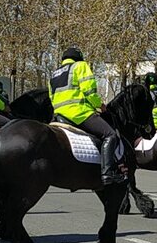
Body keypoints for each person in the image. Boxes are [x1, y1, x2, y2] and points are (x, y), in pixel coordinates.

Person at [48, 47, 126, 185]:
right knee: (110, 135)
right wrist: (100, 106)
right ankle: (108, 173)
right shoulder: (80, 66)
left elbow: (51, 97)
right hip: (79, 113)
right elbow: (89, 91)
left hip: (60, 115)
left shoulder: (54, 74)